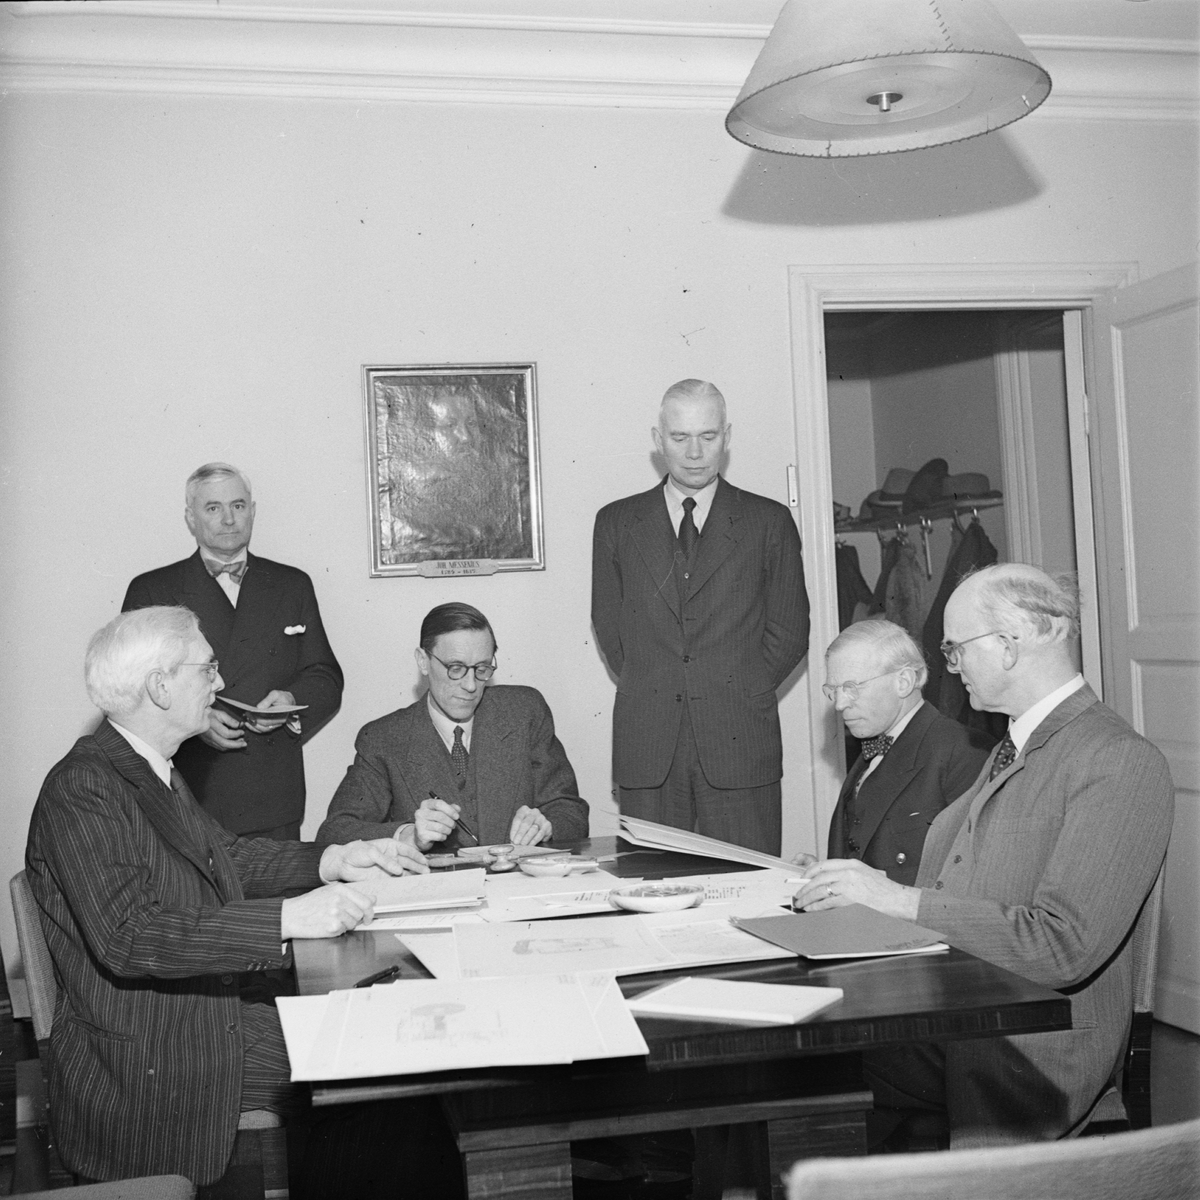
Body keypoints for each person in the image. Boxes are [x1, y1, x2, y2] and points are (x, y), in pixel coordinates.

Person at [24, 606, 428, 1186]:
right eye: (207, 668)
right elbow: (130, 936)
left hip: (194, 1015)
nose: (220, 683)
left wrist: (335, 858)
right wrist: (289, 918)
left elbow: (227, 855)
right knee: (377, 1085)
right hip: (152, 1056)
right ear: (160, 687)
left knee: (383, 1060)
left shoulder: (145, 767)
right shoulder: (85, 787)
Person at [793, 565, 1174, 1147]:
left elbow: (1063, 945)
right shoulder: (1010, 745)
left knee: (793, 1076)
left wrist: (897, 899)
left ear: (1010, 643)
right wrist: (858, 885)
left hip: (1033, 1048)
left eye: (954, 648)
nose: (950, 666)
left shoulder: (1115, 759)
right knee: (785, 1048)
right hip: (976, 1006)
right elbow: (958, 882)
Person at [591, 379, 809, 856]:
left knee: (746, 892)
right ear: (657, 439)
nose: (694, 453)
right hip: (647, 746)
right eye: (679, 438)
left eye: (708, 437)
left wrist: (734, 685)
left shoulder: (768, 521)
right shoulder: (616, 522)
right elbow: (611, 632)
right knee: (649, 890)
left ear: (727, 436)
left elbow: (790, 632)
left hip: (739, 742)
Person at [123, 462, 343, 839]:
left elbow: (325, 675)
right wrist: (197, 722)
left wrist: (291, 699)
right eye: (213, 508)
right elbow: (131, 692)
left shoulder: (292, 584)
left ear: (253, 512)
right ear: (191, 518)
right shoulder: (152, 591)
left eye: (238, 506)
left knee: (279, 897)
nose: (228, 519)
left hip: (273, 795)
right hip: (187, 791)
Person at [317, 602, 588, 850]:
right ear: (423, 661)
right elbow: (334, 833)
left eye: (482, 668)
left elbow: (570, 809)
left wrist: (547, 824)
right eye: (455, 668)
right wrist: (409, 835)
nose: (471, 685)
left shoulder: (524, 711)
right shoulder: (384, 738)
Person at [815, 619, 992, 885]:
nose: (840, 704)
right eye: (834, 690)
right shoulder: (873, 744)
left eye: (851, 688)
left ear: (904, 681)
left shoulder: (964, 752)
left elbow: (968, 881)